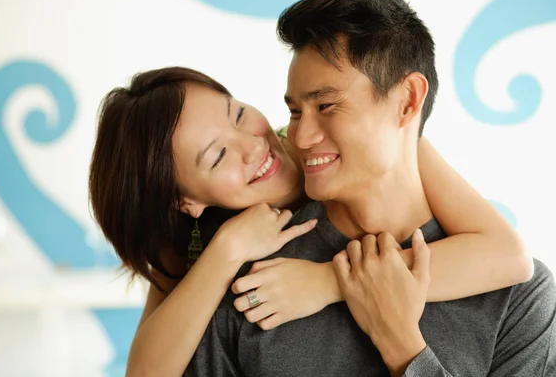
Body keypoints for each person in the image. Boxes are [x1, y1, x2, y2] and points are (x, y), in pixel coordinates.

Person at [183, 0, 555, 377]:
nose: (301, 138)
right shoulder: (256, 281)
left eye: (326, 106)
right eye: (294, 112)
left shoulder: (516, 298)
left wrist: (403, 348)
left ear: (408, 100)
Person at [89, 67, 531, 377]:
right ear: (185, 202)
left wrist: (327, 283)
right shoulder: (195, 242)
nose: (253, 145)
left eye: (239, 113)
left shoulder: (349, 144)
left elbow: (508, 257)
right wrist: (228, 250)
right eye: (219, 155)